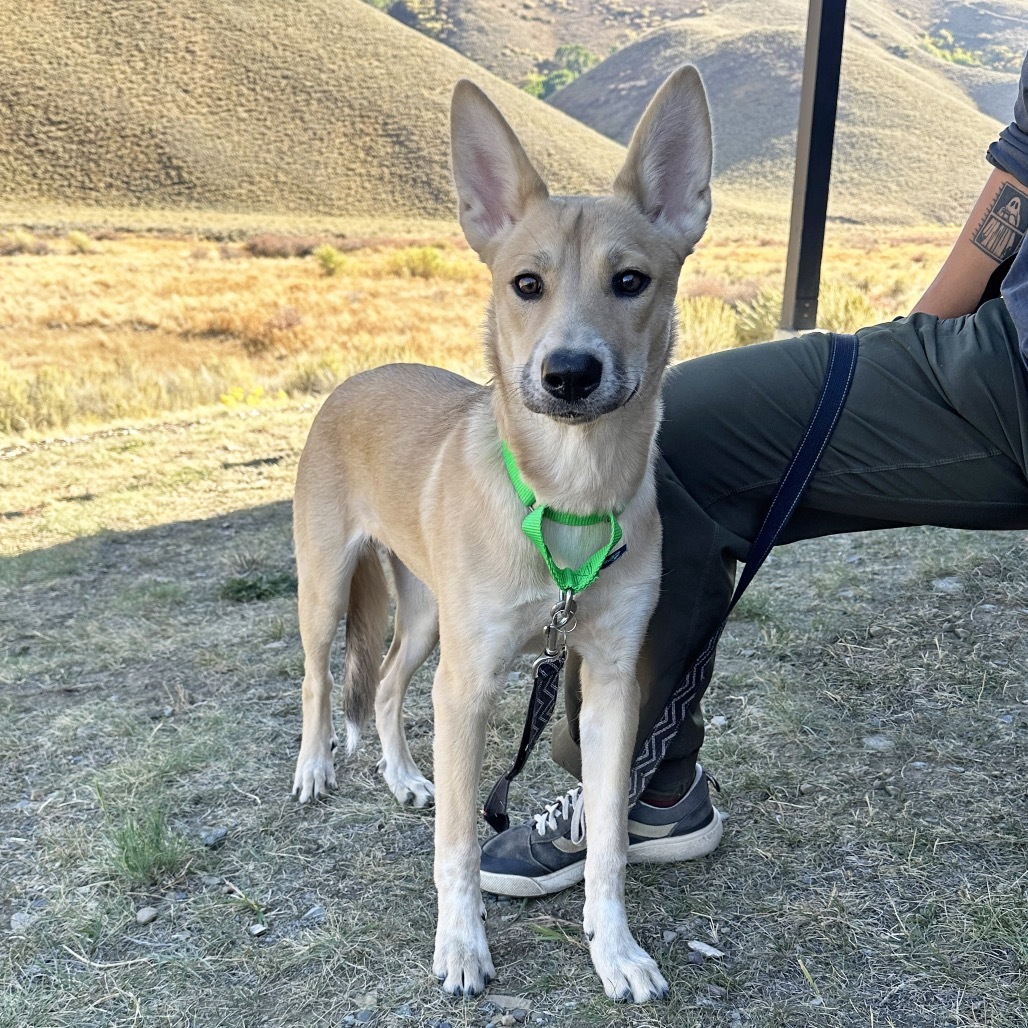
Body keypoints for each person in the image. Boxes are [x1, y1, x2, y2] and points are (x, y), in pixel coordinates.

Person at [479, 49, 1028, 896]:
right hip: (1000, 356)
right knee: (678, 441)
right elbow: (1021, 175)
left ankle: (633, 784)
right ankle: (646, 790)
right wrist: (911, 346)